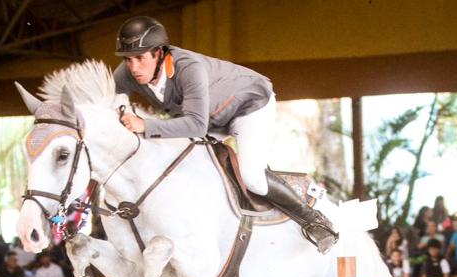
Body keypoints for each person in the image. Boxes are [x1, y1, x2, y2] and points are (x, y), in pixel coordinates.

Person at [112, 16, 337, 253]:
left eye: (140, 58)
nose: (134, 68)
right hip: (213, 119)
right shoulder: (128, 72)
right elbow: (112, 92)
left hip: (249, 106)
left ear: (158, 53)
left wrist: (145, 126)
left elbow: (196, 126)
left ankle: (315, 221)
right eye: (128, 60)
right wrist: (122, 109)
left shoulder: (188, 68)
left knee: (253, 178)